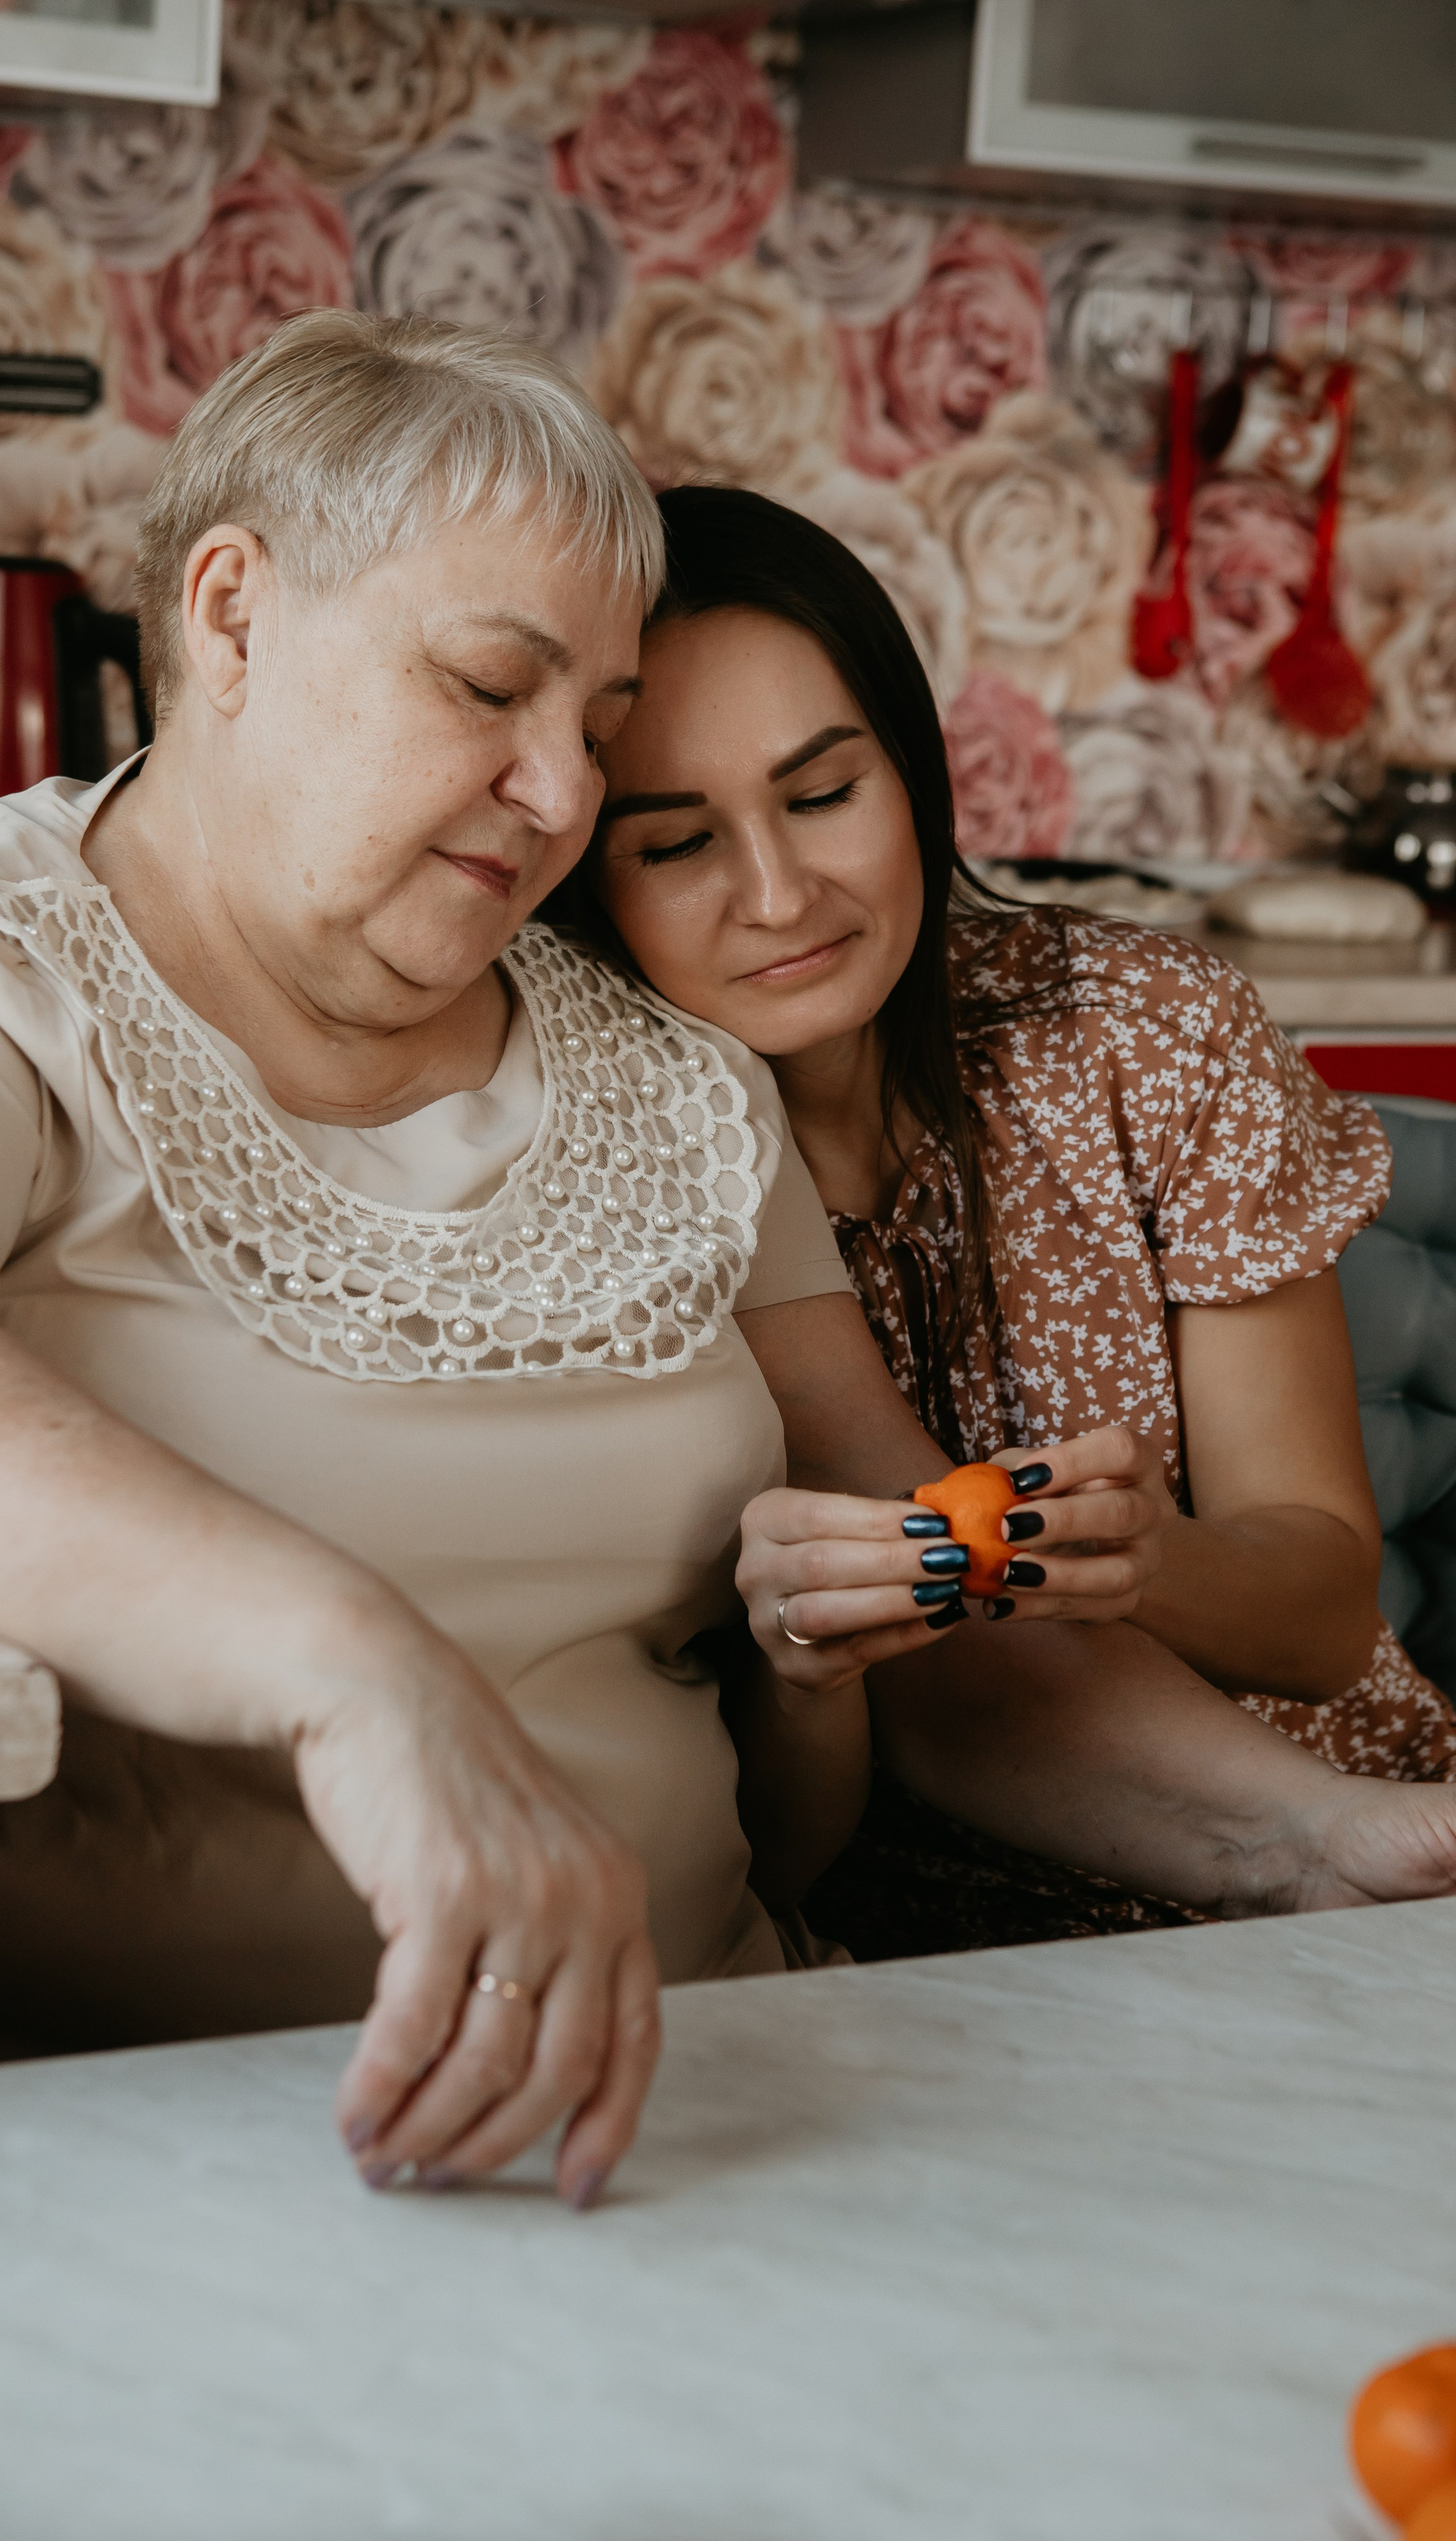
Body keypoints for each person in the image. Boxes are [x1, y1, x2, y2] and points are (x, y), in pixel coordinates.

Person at [0, 316, 1165, 2204]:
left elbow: (906, 1628)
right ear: (234, 617)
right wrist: (360, 1671)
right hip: (156, 2156)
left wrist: (1343, 1842)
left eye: (594, 728)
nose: (564, 797)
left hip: (730, 2086)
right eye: (491, 687)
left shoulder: (676, 1079)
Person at [563, 482, 1456, 1956]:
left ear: (915, 776)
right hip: (944, 1960)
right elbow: (800, 1802)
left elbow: (1319, 1617)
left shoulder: (1144, 1033)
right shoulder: (600, 1153)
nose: (777, 896)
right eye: (673, 845)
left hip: (1371, 1850)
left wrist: (1154, 1561)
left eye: (822, 795)